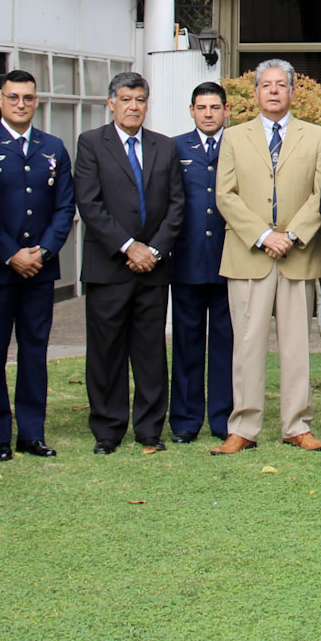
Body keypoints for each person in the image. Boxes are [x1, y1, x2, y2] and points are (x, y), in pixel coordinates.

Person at [211, 59, 321, 455]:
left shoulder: (315, 136)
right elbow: (224, 195)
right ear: (256, 92)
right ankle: (243, 427)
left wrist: (291, 235)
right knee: (247, 345)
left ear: (293, 91)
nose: (274, 91)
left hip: (297, 255)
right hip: (249, 255)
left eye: (282, 85)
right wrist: (263, 235)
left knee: (297, 345)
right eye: (267, 85)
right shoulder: (234, 137)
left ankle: (297, 424)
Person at [73, 72, 185, 454]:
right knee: (106, 352)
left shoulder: (164, 147)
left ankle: (150, 428)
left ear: (147, 104)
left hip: (153, 268)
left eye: (139, 99)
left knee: (151, 351)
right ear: (111, 103)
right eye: (125, 99)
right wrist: (127, 247)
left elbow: (176, 206)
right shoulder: (91, 144)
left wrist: (152, 250)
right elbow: (89, 204)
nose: (133, 106)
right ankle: (107, 429)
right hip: (109, 266)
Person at [0, 69, 76, 461]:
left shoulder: (53, 147)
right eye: (13, 97)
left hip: (40, 268)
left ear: (37, 102)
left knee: (35, 351)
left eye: (28, 98)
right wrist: (9, 253)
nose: (21, 104)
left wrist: (44, 251)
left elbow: (65, 206)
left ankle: (31, 432)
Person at [169, 82, 234, 443]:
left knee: (226, 343)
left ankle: (223, 417)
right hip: (187, 261)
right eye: (201, 107)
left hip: (230, 261)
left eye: (215, 107)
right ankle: (184, 419)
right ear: (191, 110)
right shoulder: (174, 147)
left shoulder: (239, 144)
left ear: (227, 111)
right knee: (186, 342)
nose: (208, 114)